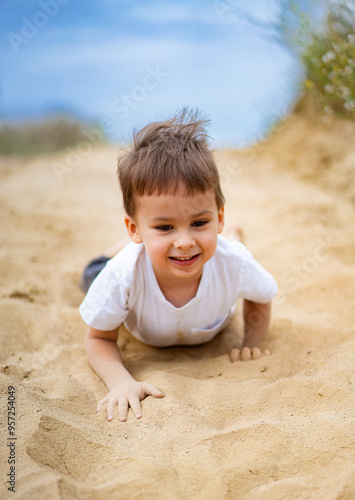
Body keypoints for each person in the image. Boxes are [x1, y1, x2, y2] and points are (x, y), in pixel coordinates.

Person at [79, 109, 278, 422]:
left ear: (219, 218)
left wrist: (250, 342)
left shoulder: (234, 263)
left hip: (224, 251)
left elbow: (261, 295)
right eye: (165, 227)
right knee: (91, 273)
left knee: (233, 252)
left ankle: (223, 235)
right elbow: (99, 338)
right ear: (134, 228)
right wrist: (121, 381)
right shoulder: (121, 276)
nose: (184, 241)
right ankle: (121, 247)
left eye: (199, 222)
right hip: (119, 265)